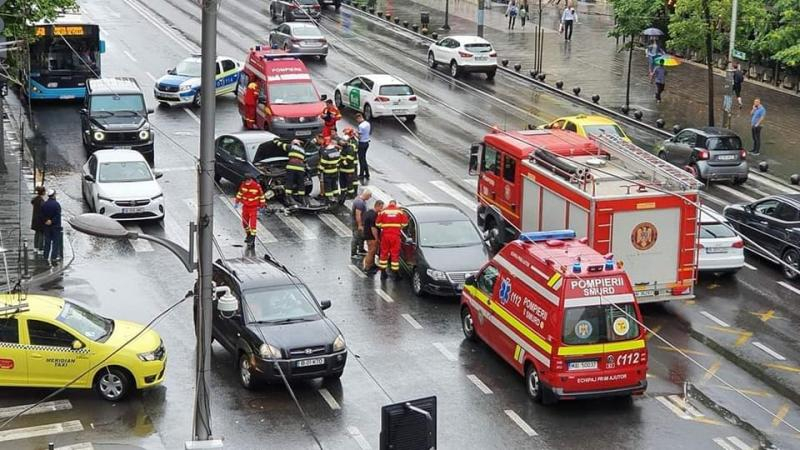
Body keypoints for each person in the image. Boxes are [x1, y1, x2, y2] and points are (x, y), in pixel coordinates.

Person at [376, 200, 408, 279]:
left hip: (385, 236)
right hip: (395, 236)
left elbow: (377, 223)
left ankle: (383, 273)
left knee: (384, 253)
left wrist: (384, 226)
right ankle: (395, 274)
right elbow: (405, 223)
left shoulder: (383, 211)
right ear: (395, 204)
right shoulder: (400, 212)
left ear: (389, 204)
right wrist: (399, 226)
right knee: (394, 254)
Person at [235, 175, 266, 247]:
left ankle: (252, 238)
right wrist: (237, 201)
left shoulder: (256, 186)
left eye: (246, 182)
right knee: (244, 223)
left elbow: (261, 196)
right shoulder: (243, 185)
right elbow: (240, 193)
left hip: (253, 207)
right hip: (245, 207)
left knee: (253, 224)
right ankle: (248, 235)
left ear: (249, 180)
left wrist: (262, 205)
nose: (245, 183)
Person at [273, 138, 306, 205]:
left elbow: (281, 145)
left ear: (293, 143)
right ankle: (301, 197)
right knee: (300, 182)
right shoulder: (303, 150)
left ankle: (288, 197)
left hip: (292, 166)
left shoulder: (291, 146)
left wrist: (275, 140)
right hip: (301, 168)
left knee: (289, 181)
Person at [41, 189, 62, 265]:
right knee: (55, 242)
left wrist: (46, 220)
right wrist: (52, 221)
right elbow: (57, 216)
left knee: (47, 242)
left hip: (47, 226)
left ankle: (45, 256)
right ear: (54, 195)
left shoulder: (44, 204)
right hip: (55, 227)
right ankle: (54, 257)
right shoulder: (57, 204)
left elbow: (41, 215)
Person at [362, 200, 383, 275]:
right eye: (381, 207)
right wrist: (376, 238)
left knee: (372, 251)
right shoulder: (374, 215)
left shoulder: (368, 212)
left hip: (367, 235)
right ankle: (367, 267)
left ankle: (372, 265)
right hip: (371, 236)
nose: (381, 209)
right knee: (371, 251)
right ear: (377, 206)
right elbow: (373, 228)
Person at [350, 189, 371, 259]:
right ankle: (353, 253)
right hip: (357, 223)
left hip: (361, 223)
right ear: (367, 195)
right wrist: (359, 225)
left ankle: (361, 250)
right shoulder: (360, 203)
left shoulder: (361, 200)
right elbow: (357, 215)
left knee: (361, 236)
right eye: (369, 196)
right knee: (356, 237)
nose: (370, 198)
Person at [338, 131, 358, 199]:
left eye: (343, 141)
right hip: (342, 170)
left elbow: (348, 160)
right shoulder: (343, 148)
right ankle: (343, 194)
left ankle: (351, 195)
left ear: (347, 142)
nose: (341, 142)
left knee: (349, 183)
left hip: (348, 170)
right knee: (342, 183)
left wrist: (340, 164)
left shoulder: (350, 148)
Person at [355, 113, 371, 181]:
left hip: (362, 143)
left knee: (362, 160)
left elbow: (359, 137)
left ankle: (361, 174)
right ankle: (367, 173)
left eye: (357, 119)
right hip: (367, 142)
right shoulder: (367, 123)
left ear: (359, 118)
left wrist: (354, 134)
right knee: (364, 158)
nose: (357, 121)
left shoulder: (361, 126)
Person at [30, 186, 46, 254]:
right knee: (41, 234)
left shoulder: (35, 199)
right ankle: (40, 249)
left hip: (35, 219)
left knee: (36, 233)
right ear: (42, 192)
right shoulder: (41, 201)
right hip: (40, 220)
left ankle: (35, 247)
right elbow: (43, 211)